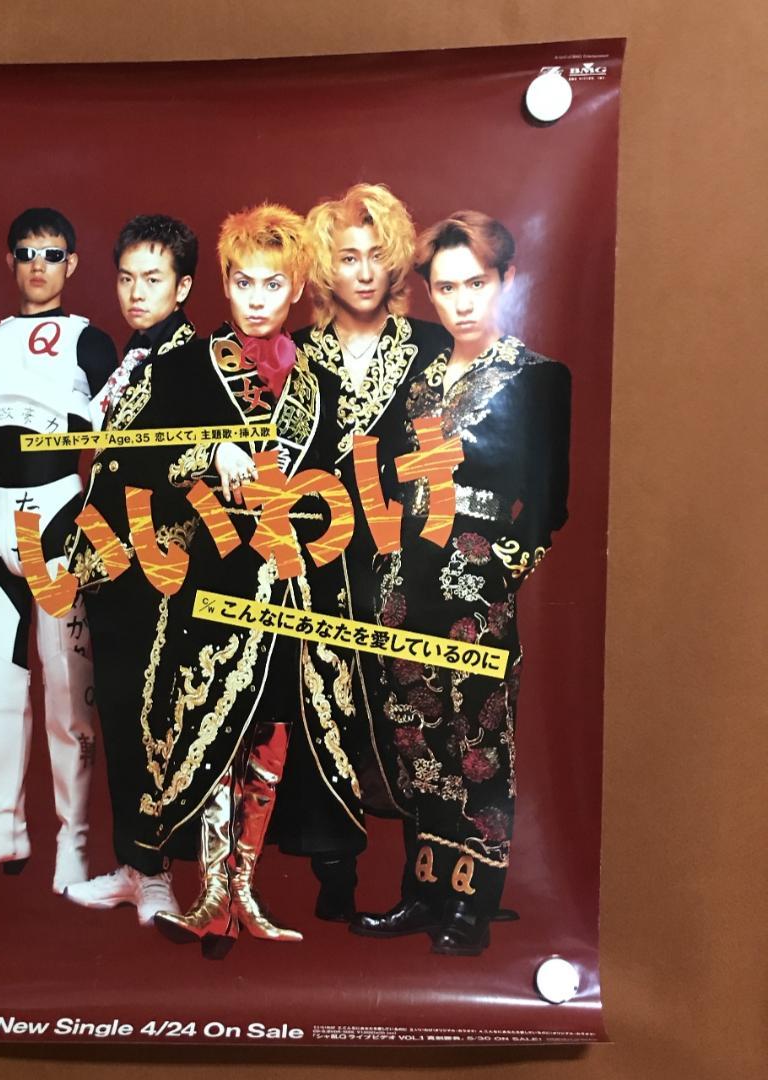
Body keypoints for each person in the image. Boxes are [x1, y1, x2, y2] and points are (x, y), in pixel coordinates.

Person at [129, 203, 363, 958]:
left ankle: (245, 891)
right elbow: (135, 459)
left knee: (274, 731)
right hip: (216, 578)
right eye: (243, 282)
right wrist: (207, 453)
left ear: (295, 290)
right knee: (215, 731)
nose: (256, 299)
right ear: (224, 284)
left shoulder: (323, 385)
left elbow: (345, 491)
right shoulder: (184, 367)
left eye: (272, 284)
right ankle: (210, 896)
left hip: (295, 586)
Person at [351, 211, 571, 955]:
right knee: (412, 735)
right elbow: (383, 479)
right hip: (402, 577)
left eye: (476, 283)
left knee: (478, 737)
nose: (461, 302)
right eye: (445, 288)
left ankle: (474, 903)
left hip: (476, 581)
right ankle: (424, 891)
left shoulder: (538, 378)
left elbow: (549, 506)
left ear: (506, 280)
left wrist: (499, 574)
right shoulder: (416, 380)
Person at [277, 183, 450, 921]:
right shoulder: (294, 354)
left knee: (414, 709)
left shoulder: (433, 347)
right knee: (323, 706)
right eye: (348, 258)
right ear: (325, 268)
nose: (366, 270)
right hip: (319, 559)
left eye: (378, 254)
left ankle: (425, 883)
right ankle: (334, 874)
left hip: (407, 556)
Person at [0, 207, 117, 891]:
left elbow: (120, 443)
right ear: (10, 261)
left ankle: (74, 842)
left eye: (52, 253)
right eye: (27, 253)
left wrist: (105, 530)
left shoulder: (91, 342)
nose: (39, 265)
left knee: (68, 691)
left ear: (72, 264)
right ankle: (4, 829)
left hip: (60, 520)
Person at [63, 214, 199, 925]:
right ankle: (130, 867)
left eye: (152, 279)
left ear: (184, 286)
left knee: (154, 716)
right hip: (109, 564)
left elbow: (197, 458)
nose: (136, 292)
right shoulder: (133, 355)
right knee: (117, 713)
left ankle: (158, 877)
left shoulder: (195, 360)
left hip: (161, 567)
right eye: (125, 278)